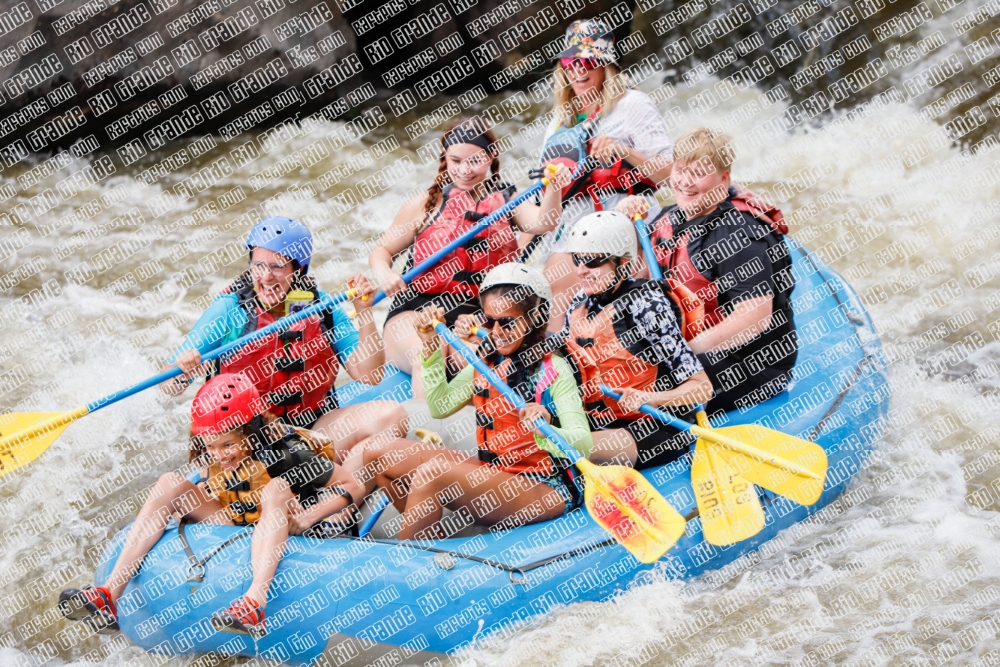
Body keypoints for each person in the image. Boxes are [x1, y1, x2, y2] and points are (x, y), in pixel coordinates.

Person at [59, 374, 365, 637]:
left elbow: (353, 485)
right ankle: (109, 594)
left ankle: (255, 602)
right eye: (211, 446)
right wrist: (197, 496)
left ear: (251, 432)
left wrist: (309, 517)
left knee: (275, 486)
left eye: (228, 445)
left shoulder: (286, 453)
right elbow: (212, 481)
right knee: (168, 482)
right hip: (236, 522)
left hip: (282, 526)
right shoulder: (212, 451)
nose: (219, 454)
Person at [160, 216, 408, 473]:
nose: (266, 277)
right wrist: (182, 371)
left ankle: (336, 490)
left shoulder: (320, 307)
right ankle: (316, 478)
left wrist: (364, 312)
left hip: (309, 430)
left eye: (277, 267)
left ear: (298, 269)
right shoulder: (229, 310)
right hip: (246, 444)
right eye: (258, 266)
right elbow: (168, 385)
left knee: (392, 417)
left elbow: (371, 374)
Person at [361, 264, 593, 539]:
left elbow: (584, 444)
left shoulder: (554, 369)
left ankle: (410, 558)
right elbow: (440, 405)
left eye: (506, 322)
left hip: (545, 485)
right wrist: (431, 343)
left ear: (533, 319)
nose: (495, 331)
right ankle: (431, 542)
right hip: (495, 471)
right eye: (488, 321)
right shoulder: (486, 362)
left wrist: (546, 427)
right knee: (378, 453)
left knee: (432, 474)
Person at [369, 117, 567, 398]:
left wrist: (555, 187)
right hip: (415, 310)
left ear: (491, 157)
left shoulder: (509, 201)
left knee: (476, 362)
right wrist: (385, 274)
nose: (464, 170)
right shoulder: (425, 204)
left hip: (476, 314)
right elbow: (381, 252)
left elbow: (544, 222)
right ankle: (427, 439)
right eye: (455, 160)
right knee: (428, 353)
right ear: (445, 159)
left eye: (475, 160)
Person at [617, 127, 796, 415]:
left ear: (724, 179)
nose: (685, 182)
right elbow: (636, 282)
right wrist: (627, 228)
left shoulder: (737, 236)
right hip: (687, 347)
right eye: (680, 170)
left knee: (645, 382)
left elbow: (755, 319)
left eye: (698, 173)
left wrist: (682, 351)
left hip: (750, 364)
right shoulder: (668, 217)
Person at [535, 18, 676, 332]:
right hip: (573, 223)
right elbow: (545, 198)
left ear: (605, 64)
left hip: (627, 213)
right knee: (553, 284)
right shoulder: (560, 120)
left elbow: (670, 175)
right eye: (571, 62)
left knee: (607, 277)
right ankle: (561, 365)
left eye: (588, 61)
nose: (578, 70)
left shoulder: (633, 105)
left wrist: (624, 151)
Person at [558, 211, 714, 469]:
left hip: (654, 426)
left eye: (593, 261)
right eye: (577, 259)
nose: (580, 270)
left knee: (564, 448)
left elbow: (702, 388)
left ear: (623, 262)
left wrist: (650, 398)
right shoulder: (579, 302)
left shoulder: (648, 307)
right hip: (599, 418)